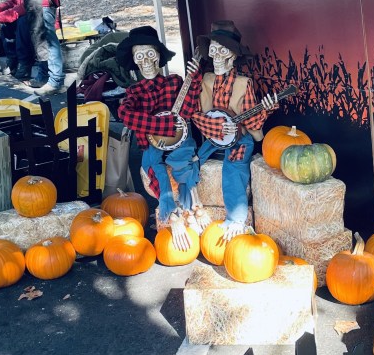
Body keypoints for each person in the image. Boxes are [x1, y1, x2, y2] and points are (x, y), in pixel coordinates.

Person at [116, 26, 208, 250]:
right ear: (134, 61)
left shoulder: (174, 82)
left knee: (184, 157)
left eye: (150, 54)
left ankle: (192, 204)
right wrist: (163, 126)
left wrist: (194, 80)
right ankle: (172, 212)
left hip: (179, 138)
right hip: (151, 141)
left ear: (159, 56)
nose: (146, 61)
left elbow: (186, 111)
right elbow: (125, 114)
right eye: (139, 56)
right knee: (152, 164)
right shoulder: (134, 91)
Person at [190, 21, 278, 240]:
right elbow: (196, 113)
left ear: (233, 56)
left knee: (234, 169)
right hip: (213, 137)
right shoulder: (206, 80)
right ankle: (189, 208)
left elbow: (253, 123)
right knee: (191, 162)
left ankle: (236, 219)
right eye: (213, 50)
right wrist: (217, 127)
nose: (217, 57)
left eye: (223, 51)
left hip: (239, 139)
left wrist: (265, 109)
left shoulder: (243, 83)